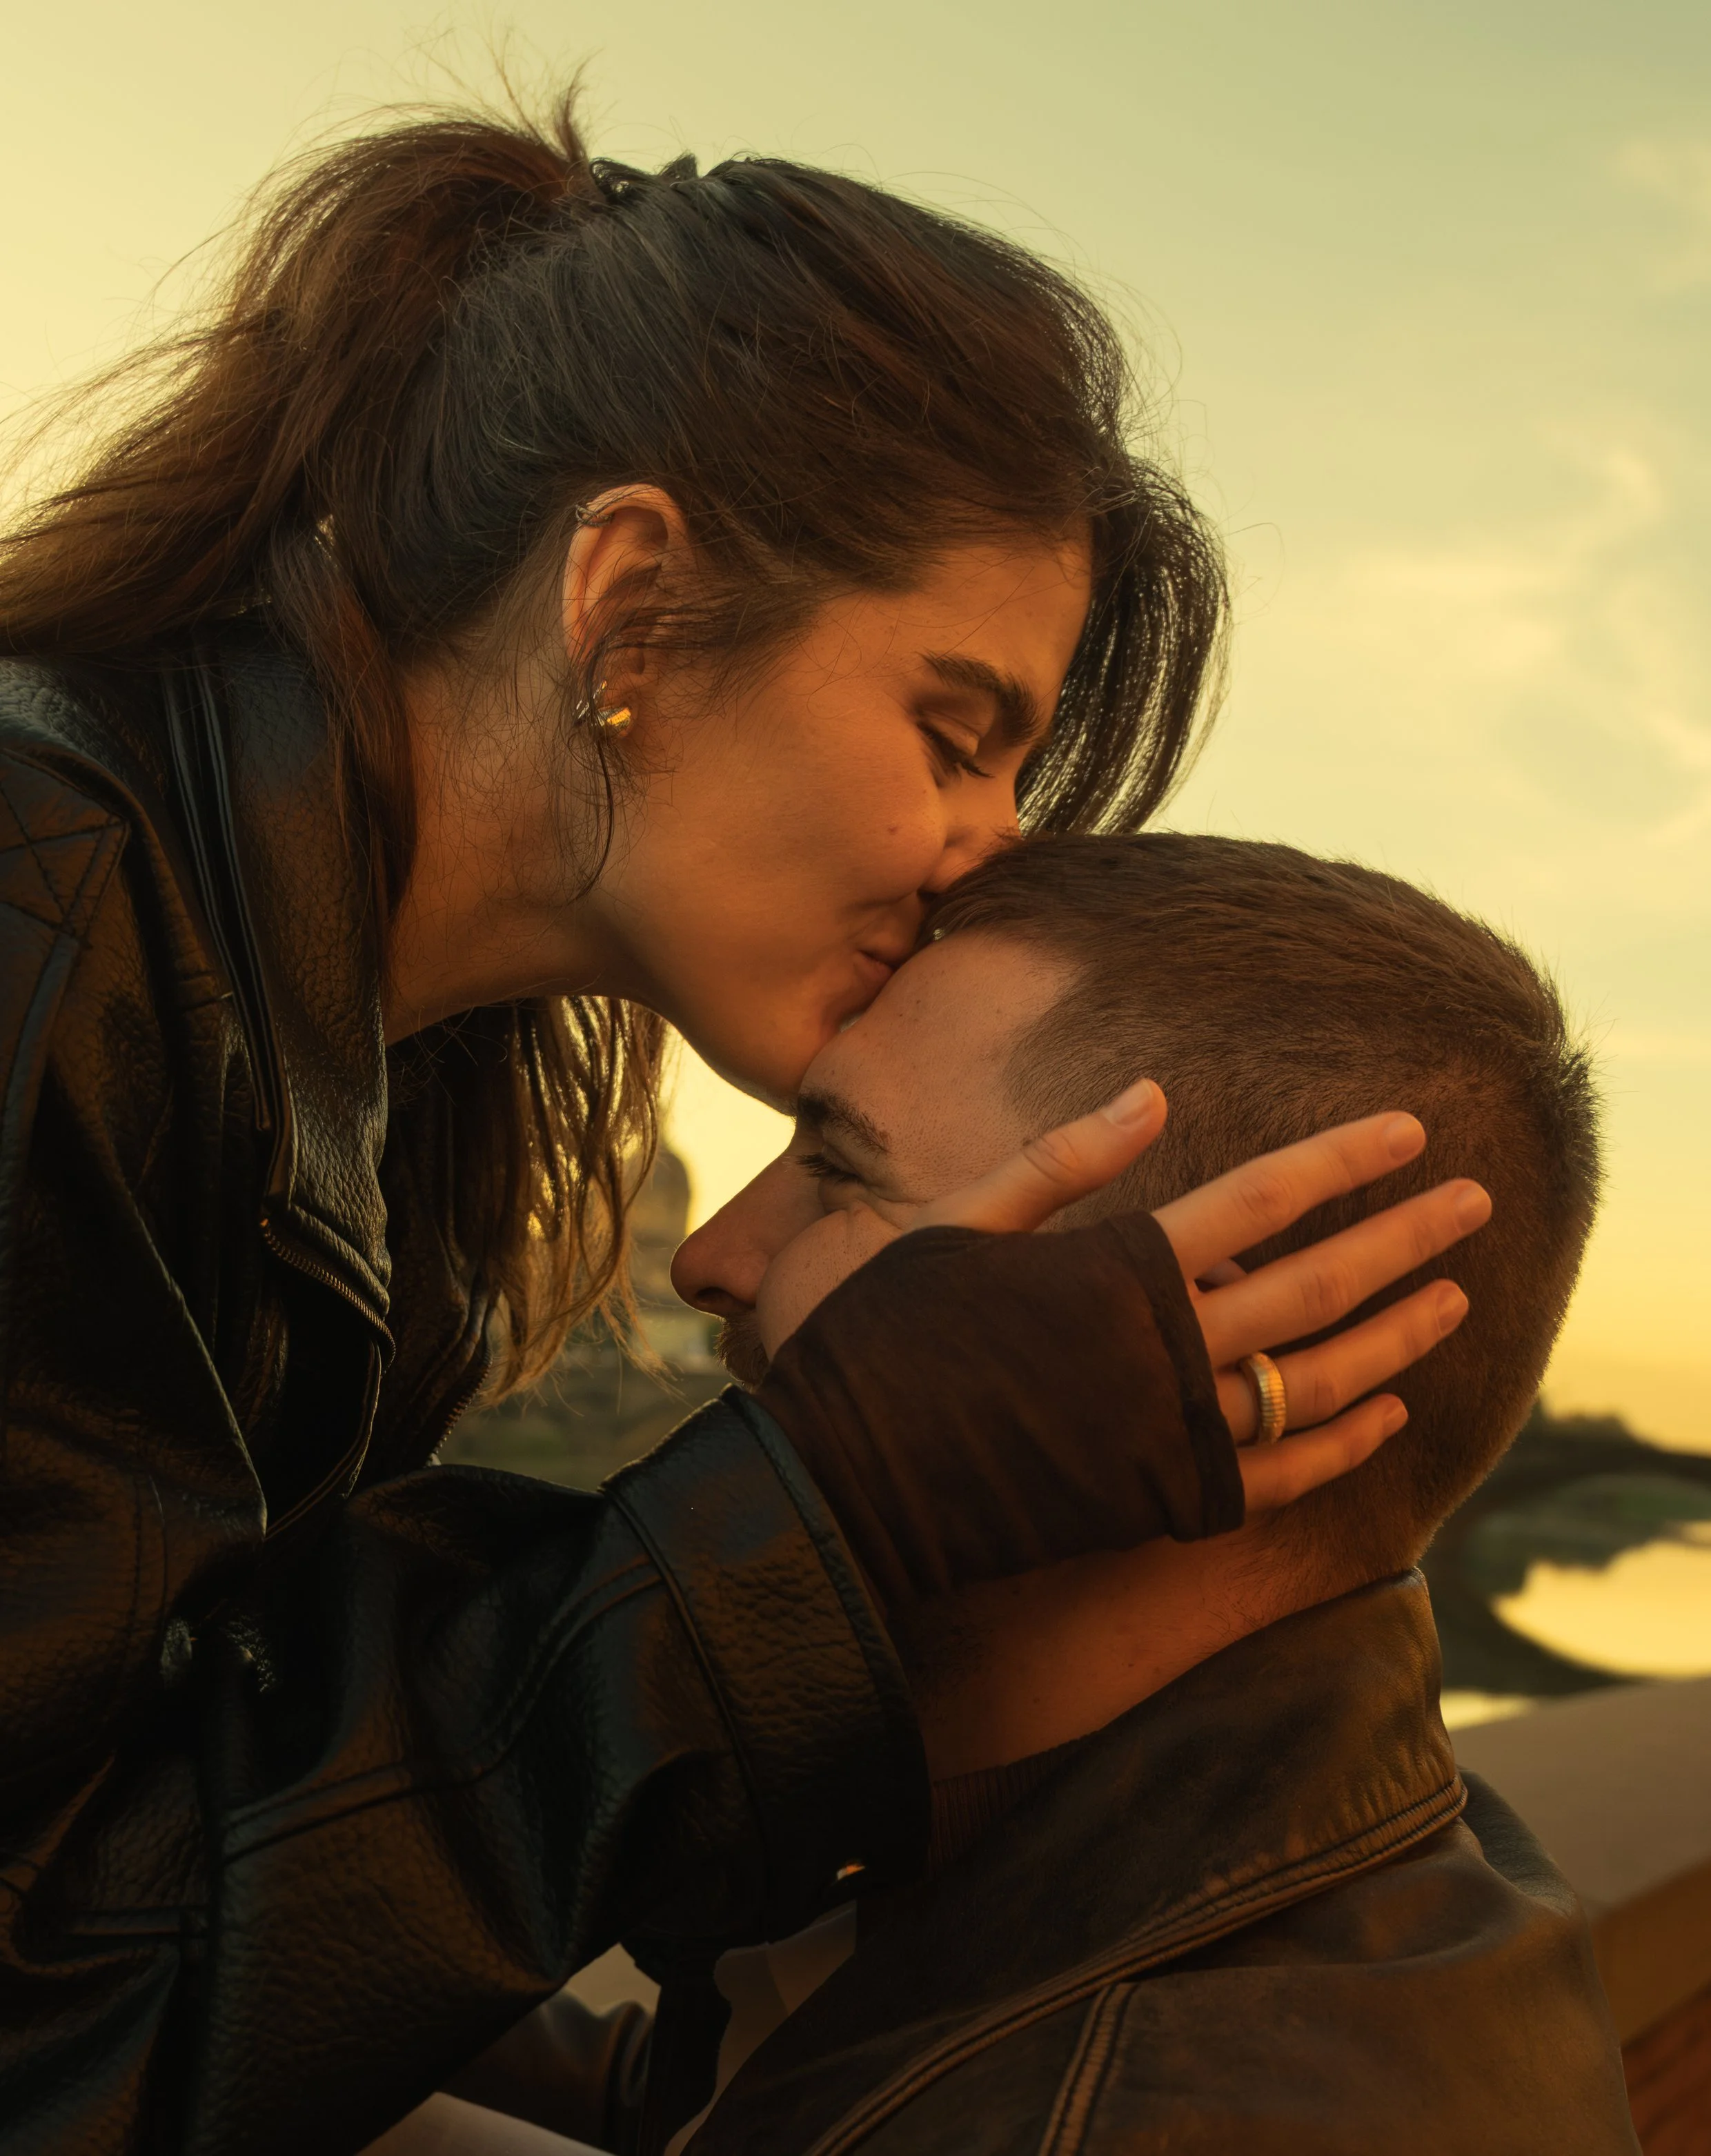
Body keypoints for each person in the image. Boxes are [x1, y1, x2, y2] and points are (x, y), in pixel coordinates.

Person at [0, 95, 1473, 2156]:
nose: (980, 855)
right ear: (632, 608)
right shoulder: (49, 928)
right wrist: (824, 1507)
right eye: (956, 734)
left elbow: (172, 1818)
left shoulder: (385, 1070)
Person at [660, 831, 1639, 2156]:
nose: (713, 1258)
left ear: (1192, 1359)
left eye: (838, 1171)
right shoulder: (1334, 1856)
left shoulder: (1133, 2116)